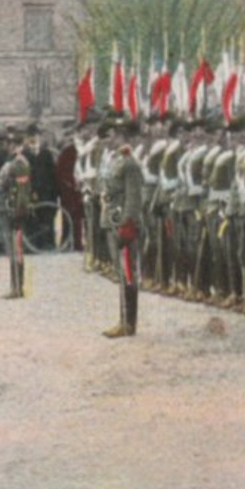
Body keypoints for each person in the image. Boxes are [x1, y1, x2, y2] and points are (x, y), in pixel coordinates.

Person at [99, 119, 145, 338]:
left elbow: (133, 198)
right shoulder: (115, 160)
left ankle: (129, 323)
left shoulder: (129, 163)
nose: (110, 139)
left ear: (122, 136)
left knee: (127, 273)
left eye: (113, 135)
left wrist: (127, 225)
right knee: (121, 272)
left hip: (123, 224)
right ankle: (123, 320)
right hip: (113, 220)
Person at [0, 135, 34, 298]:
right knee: (11, 250)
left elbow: (22, 193)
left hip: (13, 212)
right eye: (9, 144)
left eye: (14, 144)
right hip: (5, 210)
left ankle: (18, 288)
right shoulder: (11, 161)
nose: (11, 147)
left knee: (16, 249)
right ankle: (15, 286)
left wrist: (17, 214)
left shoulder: (19, 163)